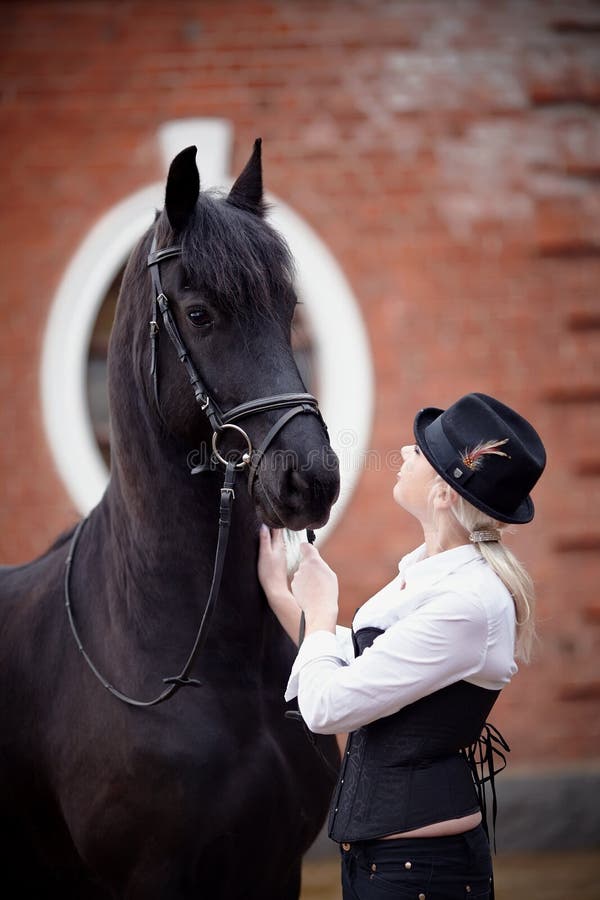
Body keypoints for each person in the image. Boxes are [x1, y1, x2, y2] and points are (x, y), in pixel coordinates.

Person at [258, 392, 546, 900]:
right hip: (384, 861)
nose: (406, 453)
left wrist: (323, 608)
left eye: (420, 451)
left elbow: (328, 708)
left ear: (443, 493)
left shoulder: (470, 601)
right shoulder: (428, 572)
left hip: (421, 873)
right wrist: (285, 594)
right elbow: (359, 661)